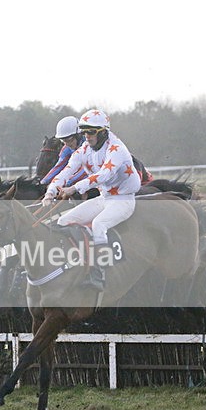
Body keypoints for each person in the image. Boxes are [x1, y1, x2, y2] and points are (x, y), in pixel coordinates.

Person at [43, 109, 142, 291]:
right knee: (63, 221)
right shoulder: (85, 150)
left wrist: (74, 188)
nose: (86, 137)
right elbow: (67, 170)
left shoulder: (117, 149)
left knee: (99, 224)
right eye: (84, 132)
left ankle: (99, 274)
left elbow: (103, 175)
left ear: (103, 131)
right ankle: (72, 265)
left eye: (91, 132)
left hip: (123, 200)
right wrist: (50, 192)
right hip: (105, 198)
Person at [40, 116, 87, 187]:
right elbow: (59, 166)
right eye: (63, 141)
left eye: (69, 140)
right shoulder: (66, 148)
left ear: (78, 135)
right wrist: (44, 181)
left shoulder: (89, 145)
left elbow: (86, 170)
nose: (67, 144)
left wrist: (68, 182)